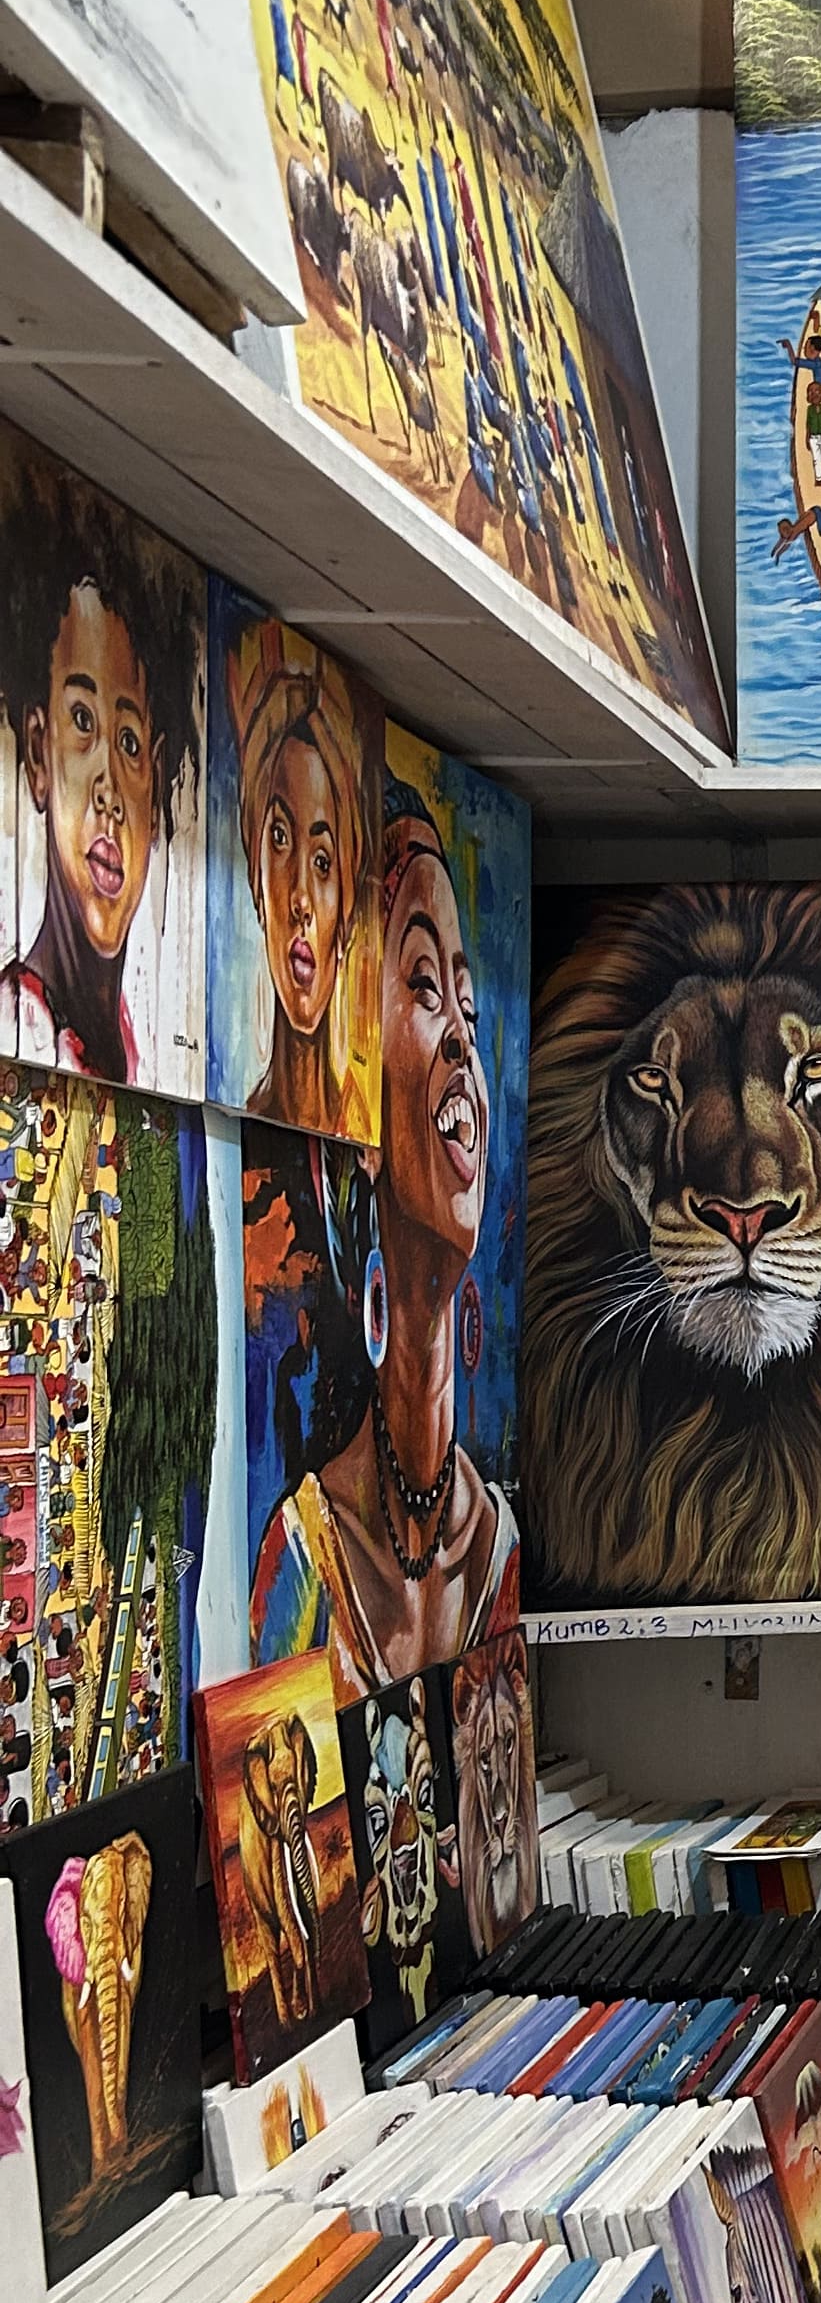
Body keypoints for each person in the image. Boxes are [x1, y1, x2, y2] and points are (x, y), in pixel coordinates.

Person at [251, 776, 516, 1699]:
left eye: (469, 1005)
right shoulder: (304, 1560)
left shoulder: (498, 1548)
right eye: (425, 987)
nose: (463, 1042)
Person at [2, 531, 196, 1087]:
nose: (108, 790)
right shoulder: (16, 1025)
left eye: (129, 741)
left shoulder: (144, 1055)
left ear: (154, 789)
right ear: (38, 751)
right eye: (82, 720)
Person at [228, 618, 377, 1138]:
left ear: (349, 909)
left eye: (323, 861)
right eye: (279, 838)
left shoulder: (363, 1140)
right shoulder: (241, 1114)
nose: (301, 899)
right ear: (255, 876)